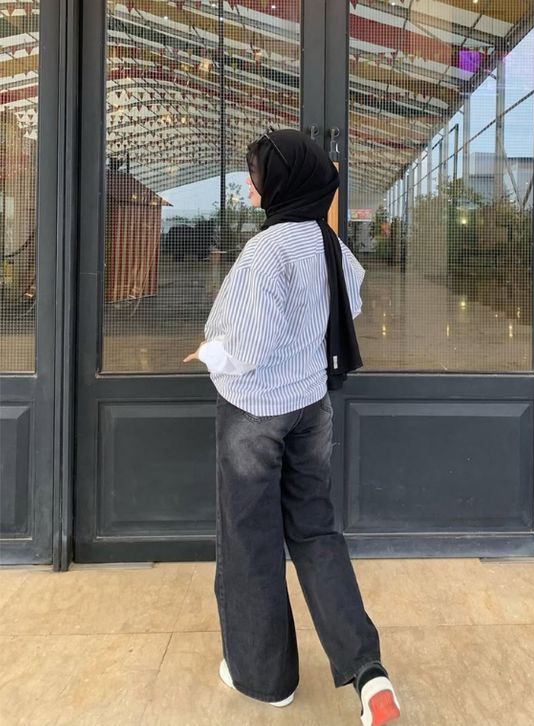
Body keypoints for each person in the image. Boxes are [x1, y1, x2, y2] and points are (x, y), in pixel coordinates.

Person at [183, 128, 401, 726]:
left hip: (256, 413)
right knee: (315, 532)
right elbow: (352, 303)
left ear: (281, 184)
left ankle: (265, 678)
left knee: (249, 540)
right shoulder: (329, 244)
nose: (251, 187)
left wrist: (210, 352)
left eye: (257, 177)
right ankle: (368, 672)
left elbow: (247, 349)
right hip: (311, 406)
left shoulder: (267, 251)